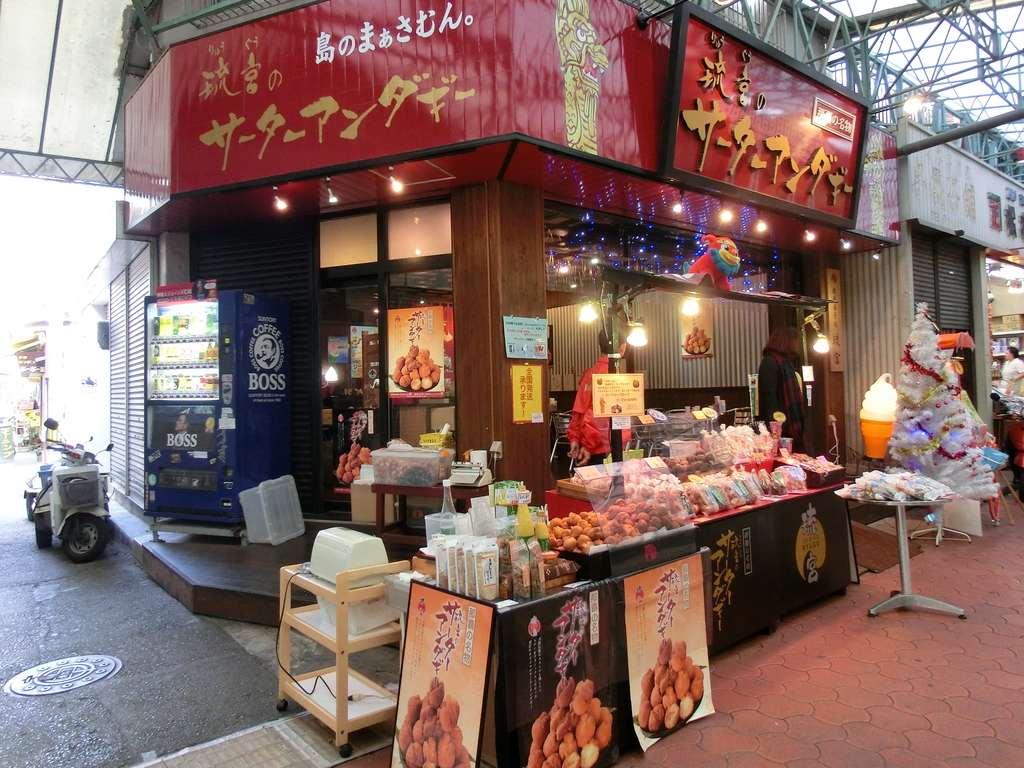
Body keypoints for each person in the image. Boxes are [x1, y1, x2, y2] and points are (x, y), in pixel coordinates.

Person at [567, 321, 629, 466]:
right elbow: (598, 414)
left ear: (600, 346)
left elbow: (578, 411)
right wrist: (589, 445)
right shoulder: (611, 375)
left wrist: (575, 438)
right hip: (606, 445)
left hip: (591, 444)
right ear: (622, 347)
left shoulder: (589, 374)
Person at [757, 326, 806, 453]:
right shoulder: (770, 362)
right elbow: (769, 396)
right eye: (795, 340)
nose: (797, 345)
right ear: (786, 341)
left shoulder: (786, 362)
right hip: (778, 423)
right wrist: (774, 426)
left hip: (786, 420)